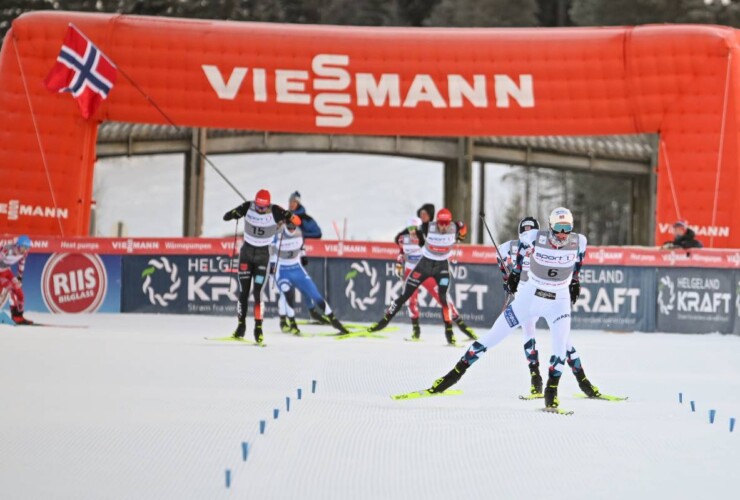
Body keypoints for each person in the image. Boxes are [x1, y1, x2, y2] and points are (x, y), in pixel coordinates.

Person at [427, 207, 590, 410]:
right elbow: (520, 249)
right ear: (550, 227)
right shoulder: (534, 237)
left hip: (559, 301)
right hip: (529, 297)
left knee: (560, 349)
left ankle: (551, 393)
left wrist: (575, 280)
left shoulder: (579, 241)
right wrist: (514, 273)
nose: (563, 234)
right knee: (491, 338)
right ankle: (450, 377)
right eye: (558, 228)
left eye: (567, 228)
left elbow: (579, 260)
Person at [499, 216, 600, 398]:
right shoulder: (513, 245)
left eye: (529, 231)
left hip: (550, 294)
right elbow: (500, 251)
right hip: (526, 294)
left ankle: (583, 381)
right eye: (523, 231)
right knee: (528, 333)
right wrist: (506, 274)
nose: (525, 235)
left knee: (564, 340)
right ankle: (535, 379)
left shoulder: (543, 243)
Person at [369, 208, 468, 345]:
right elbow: (404, 243)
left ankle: (452, 331)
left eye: (446, 223)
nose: (444, 226)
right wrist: (399, 257)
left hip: (439, 268)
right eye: (441, 223)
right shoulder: (421, 230)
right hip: (422, 267)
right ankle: (385, 324)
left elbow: (462, 229)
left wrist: (461, 235)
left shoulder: (454, 226)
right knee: (407, 297)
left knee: (443, 298)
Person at [223, 189, 300, 344]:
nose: (260, 210)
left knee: (258, 293)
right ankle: (241, 326)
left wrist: (288, 216)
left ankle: (258, 329)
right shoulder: (248, 206)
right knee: (243, 292)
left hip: (262, 257)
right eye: (258, 207)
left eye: (263, 208)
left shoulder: (276, 210)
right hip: (246, 254)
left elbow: (298, 222)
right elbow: (225, 217)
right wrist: (235, 213)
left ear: (268, 205)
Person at [394, 217, 477, 341]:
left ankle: (463, 326)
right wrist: (399, 265)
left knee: (442, 299)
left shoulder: (427, 236)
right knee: (411, 302)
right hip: (411, 272)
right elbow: (401, 253)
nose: (413, 231)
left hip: (426, 271)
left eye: (415, 228)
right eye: (410, 228)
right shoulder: (403, 239)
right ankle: (416, 332)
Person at [270, 221, 349, 335]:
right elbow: (271, 252)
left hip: (297, 269)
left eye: (293, 227)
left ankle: (334, 321)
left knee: (314, 294)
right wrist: (273, 267)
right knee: (286, 294)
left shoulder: (298, 232)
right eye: (289, 227)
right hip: (282, 270)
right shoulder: (277, 234)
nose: (292, 230)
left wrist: (303, 255)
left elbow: (301, 246)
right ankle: (288, 323)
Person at [279, 190, 327, 328]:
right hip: (284, 256)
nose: (291, 204)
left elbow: (317, 233)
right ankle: (284, 318)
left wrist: (300, 234)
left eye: (294, 202)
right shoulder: (284, 217)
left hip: (298, 256)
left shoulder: (305, 219)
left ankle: (311, 310)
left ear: (298, 203)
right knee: (285, 287)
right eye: (290, 202)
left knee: (303, 285)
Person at [0, 235, 33, 325]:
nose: (25, 250)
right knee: (10, 288)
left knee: (19, 293)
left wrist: (19, 277)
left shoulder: (24, 253)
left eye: (28, 248)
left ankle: (18, 316)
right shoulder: (7, 249)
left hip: (6, 271)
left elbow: (21, 263)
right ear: (18, 245)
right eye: (24, 248)